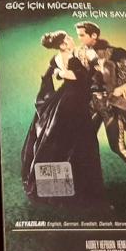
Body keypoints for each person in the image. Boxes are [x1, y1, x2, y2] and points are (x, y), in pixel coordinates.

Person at [75, 21, 126, 209]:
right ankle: (89, 193)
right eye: (78, 35)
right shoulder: (79, 53)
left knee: (118, 147)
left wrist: (120, 88)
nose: (80, 38)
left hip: (111, 105)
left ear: (94, 35)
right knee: (83, 145)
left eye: (82, 35)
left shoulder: (118, 52)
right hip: (90, 104)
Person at [20, 31, 106, 208]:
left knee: (59, 144)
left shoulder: (56, 59)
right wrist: (92, 67)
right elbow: (81, 78)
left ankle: (56, 188)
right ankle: (81, 191)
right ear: (62, 45)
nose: (71, 39)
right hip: (73, 104)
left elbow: (49, 77)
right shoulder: (73, 59)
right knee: (80, 143)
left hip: (64, 100)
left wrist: (60, 73)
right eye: (68, 38)